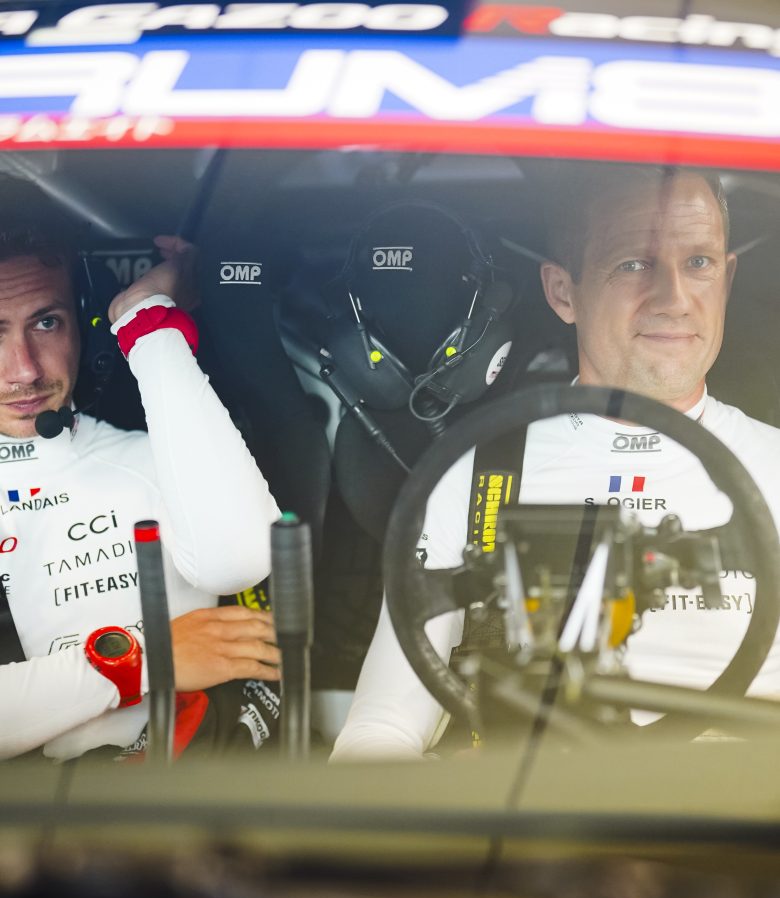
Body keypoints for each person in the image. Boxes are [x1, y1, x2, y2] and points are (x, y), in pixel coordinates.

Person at [331, 165, 780, 761]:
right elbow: (381, 726)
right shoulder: (478, 475)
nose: (675, 299)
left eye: (699, 262)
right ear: (563, 292)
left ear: (727, 278)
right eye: (634, 264)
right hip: (531, 798)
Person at [0, 172, 281, 761]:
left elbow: (243, 557)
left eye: (46, 322)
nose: (24, 370)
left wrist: (144, 320)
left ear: (83, 317)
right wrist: (150, 659)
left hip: (173, 801)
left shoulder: (149, 457)